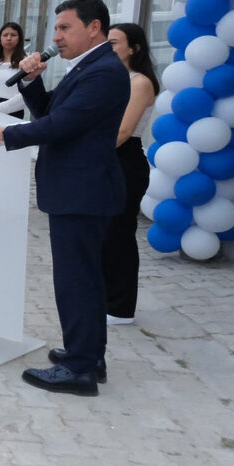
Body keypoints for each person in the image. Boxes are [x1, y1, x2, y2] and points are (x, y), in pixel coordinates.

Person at [0, 0, 129, 396]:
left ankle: (79, 369)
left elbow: (61, 124)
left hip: (83, 191)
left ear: (93, 28)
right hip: (78, 189)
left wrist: (6, 134)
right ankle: (89, 355)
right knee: (85, 279)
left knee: (76, 280)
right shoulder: (88, 67)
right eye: (56, 28)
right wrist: (30, 79)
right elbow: (47, 111)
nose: (56, 36)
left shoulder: (103, 72)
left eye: (64, 27)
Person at [102, 22, 158, 326]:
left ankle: (121, 307)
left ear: (133, 48)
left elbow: (123, 131)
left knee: (120, 233)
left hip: (125, 160)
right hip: (104, 158)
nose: (108, 48)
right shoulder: (110, 78)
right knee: (102, 233)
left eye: (114, 43)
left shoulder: (140, 82)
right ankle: (104, 295)